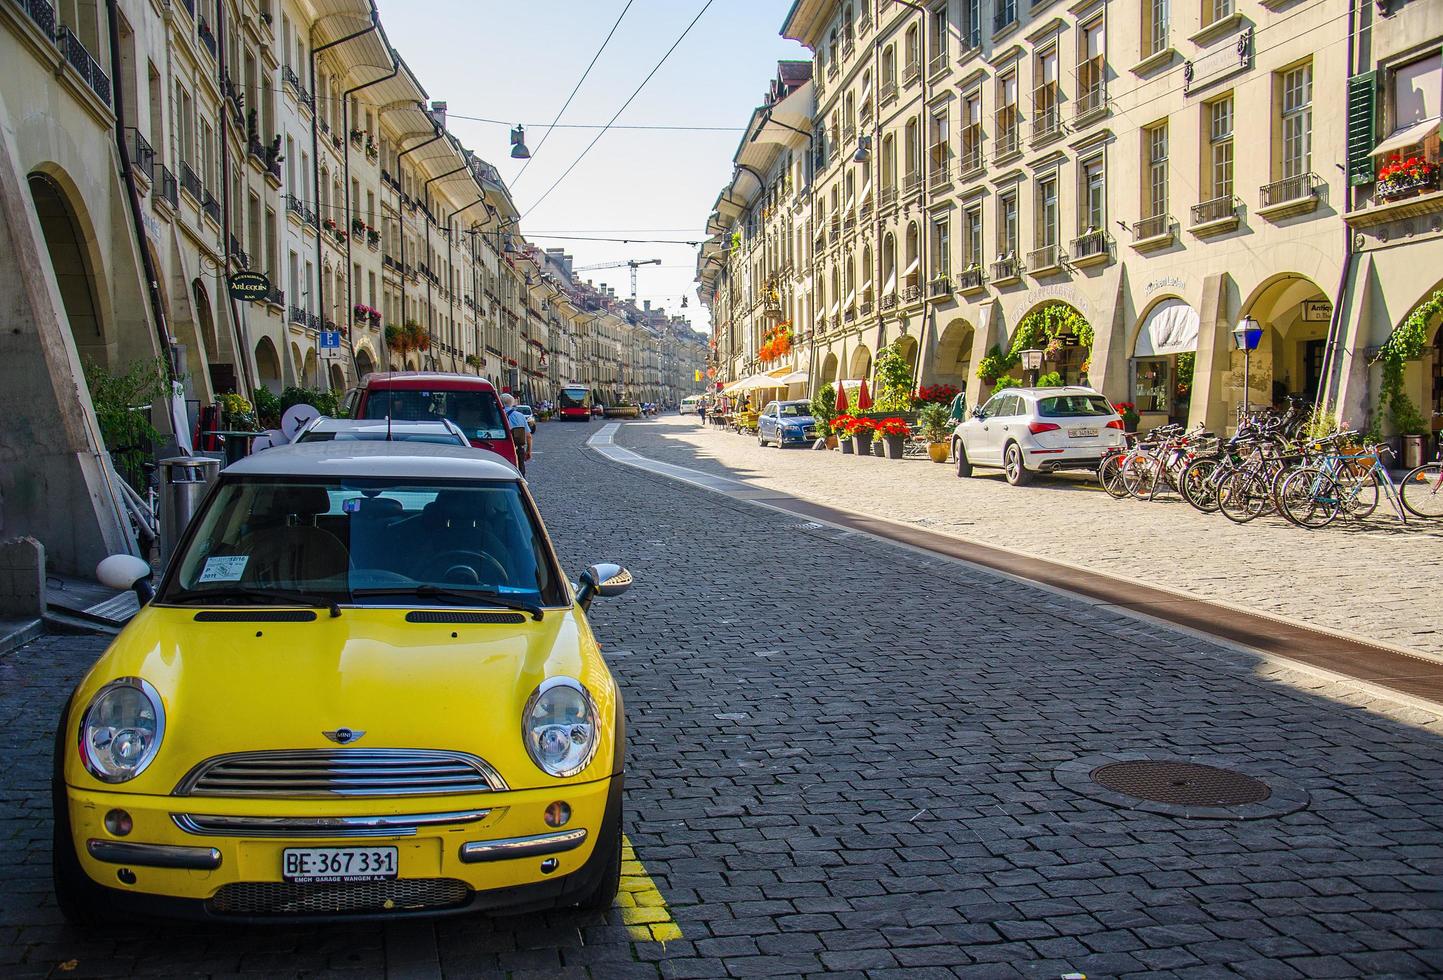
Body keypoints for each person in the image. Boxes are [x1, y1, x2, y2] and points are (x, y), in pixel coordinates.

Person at [500, 392, 532, 476]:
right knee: (520, 472)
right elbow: (528, 436)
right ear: (512, 403)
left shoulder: (497, 414)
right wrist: (528, 450)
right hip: (518, 448)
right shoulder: (520, 416)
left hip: (501, 447)